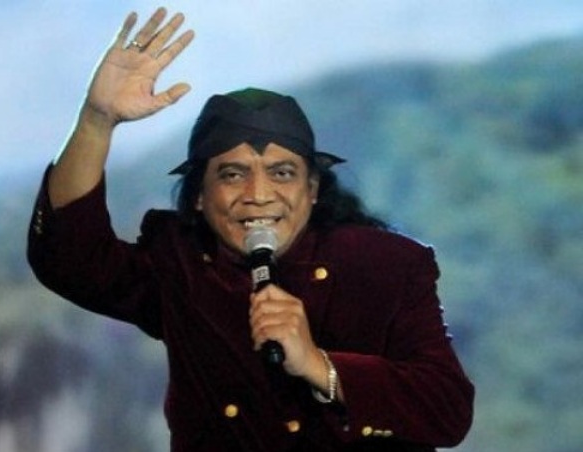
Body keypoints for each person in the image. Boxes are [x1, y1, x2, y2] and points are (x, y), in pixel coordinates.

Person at [27, 8, 474, 451]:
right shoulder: (181, 264)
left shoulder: (387, 266)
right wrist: (96, 121)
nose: (258, 195)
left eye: (281, 173)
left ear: (312, 190)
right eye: (232, 174)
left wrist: (319, 365)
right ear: (199, 196)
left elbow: (448, 411)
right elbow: (70, 259)